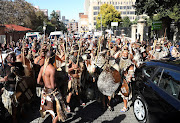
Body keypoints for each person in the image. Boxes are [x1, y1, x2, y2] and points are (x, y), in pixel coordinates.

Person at [37, 51, 67, 123]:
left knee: (52, 112)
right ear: (52, 58)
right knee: (57, 112)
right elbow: (53, 86)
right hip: (52, 93)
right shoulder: (52, 69)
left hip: (45, 91)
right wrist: (62, 82)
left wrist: (45, 85)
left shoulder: (42, 68)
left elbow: (38, 81)